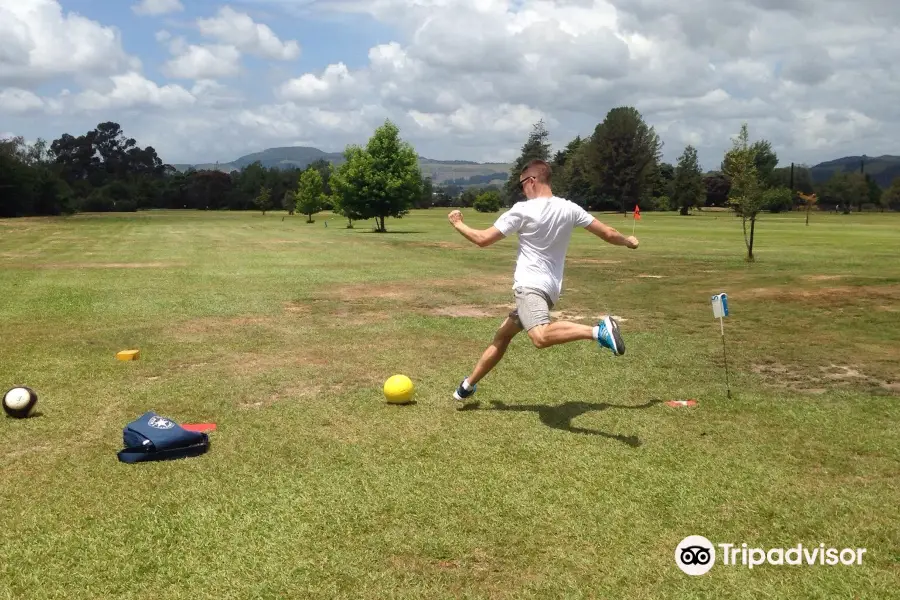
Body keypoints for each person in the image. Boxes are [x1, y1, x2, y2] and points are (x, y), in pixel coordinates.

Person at [447, 159, 639, 402]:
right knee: (503, 335)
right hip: (549, 290)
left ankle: (598, 331)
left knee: (540, 337)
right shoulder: (570, 208)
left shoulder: (523, 210)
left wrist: (458, 223)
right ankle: (468, 385)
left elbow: (483, 239)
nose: (522, 191)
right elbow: (608, 233)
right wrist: (627, 241)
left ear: (531, 181)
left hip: (530, 287)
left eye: (521, 185)